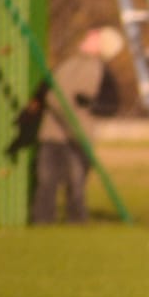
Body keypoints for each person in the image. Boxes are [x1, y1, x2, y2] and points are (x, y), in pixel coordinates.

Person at [30, 26, 125, 224]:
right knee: (46, 180)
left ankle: (77, 221)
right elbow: (44, 90)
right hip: (52, 133)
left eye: (96, 36)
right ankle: (42, 220)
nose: (90, 35)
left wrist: (91, 105)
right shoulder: (68, 63)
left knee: (76, 183)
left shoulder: (101, 72)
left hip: (79, 136)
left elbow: (111, 104)